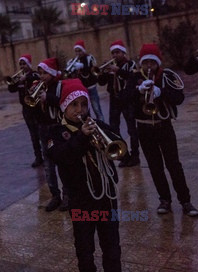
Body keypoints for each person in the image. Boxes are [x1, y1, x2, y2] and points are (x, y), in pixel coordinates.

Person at [47, 78, 123, 272]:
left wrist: (107, 138)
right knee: (85, 250)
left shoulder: (96, 124)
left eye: (83, 104)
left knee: (112, 248)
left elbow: (121, 146)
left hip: (106, 197)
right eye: (74, 105)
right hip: (80, 199)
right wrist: (82, 136)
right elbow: (60, 156)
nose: (80, 110)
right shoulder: (55, 132)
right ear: (64, 106)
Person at [126, 44, 198, 217]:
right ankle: (164, 200)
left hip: (163, 126)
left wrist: (161, 92)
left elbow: (179, 98)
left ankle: (185, 201)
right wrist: (138, 90)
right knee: (155, 166)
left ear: (158, 62)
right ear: (141, 63)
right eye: (146, 62)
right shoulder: (134, 77)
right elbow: (123, 98)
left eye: (152, 62)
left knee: (174, 165)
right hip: (143, 128)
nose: (149, 66)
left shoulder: (166, 75)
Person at [32, 58, 68, 211]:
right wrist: (34, 99)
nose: (42, 76)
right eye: (40, 73)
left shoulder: (60, 86)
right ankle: (55, 195)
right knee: (48, 165)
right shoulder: (38, 87)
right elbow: (34, 110)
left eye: (45, 73)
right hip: (44, 129)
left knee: (64, 163)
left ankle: (67, 195)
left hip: (57, 128)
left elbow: (63, 102)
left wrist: (48, 98)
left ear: (52, 73)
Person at [98, 40, 140, 167]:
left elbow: (133, 78)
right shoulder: (111, 67)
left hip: (127, 100)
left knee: (131, 129)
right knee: (114, 128)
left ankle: (135, 156)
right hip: (115, 99)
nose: (115, 55)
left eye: (117, 52)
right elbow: (101, 83)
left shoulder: (130, 64)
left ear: (123, 52)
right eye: (113, 53)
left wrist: (118, 71)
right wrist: (103, 72)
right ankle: (124, 155)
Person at [7, 54, 44, 167]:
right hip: (26, 109)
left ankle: (47, 154)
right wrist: (14, 82)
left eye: (24, 64)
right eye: (21, 64)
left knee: (40, 132)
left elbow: (38, 79)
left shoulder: (34, 74)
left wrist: (26, 78)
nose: (22, 66)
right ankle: (38, 157)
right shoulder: (20, 78)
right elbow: (11, 89)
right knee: (33, 135)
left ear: (28, 64)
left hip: (36, 108)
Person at [65, 40, 105, 122]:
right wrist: (73, 70)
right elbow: (70, 76)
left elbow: (94, 70)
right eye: (76, 51)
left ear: (83, 50)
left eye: (79, 51)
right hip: (81, 90)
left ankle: (102, 125)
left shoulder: (89, 58)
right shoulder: (73, 61)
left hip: (91, 87)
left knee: (96, 109)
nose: (78, 53)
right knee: (85, 111)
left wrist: (83, 67)